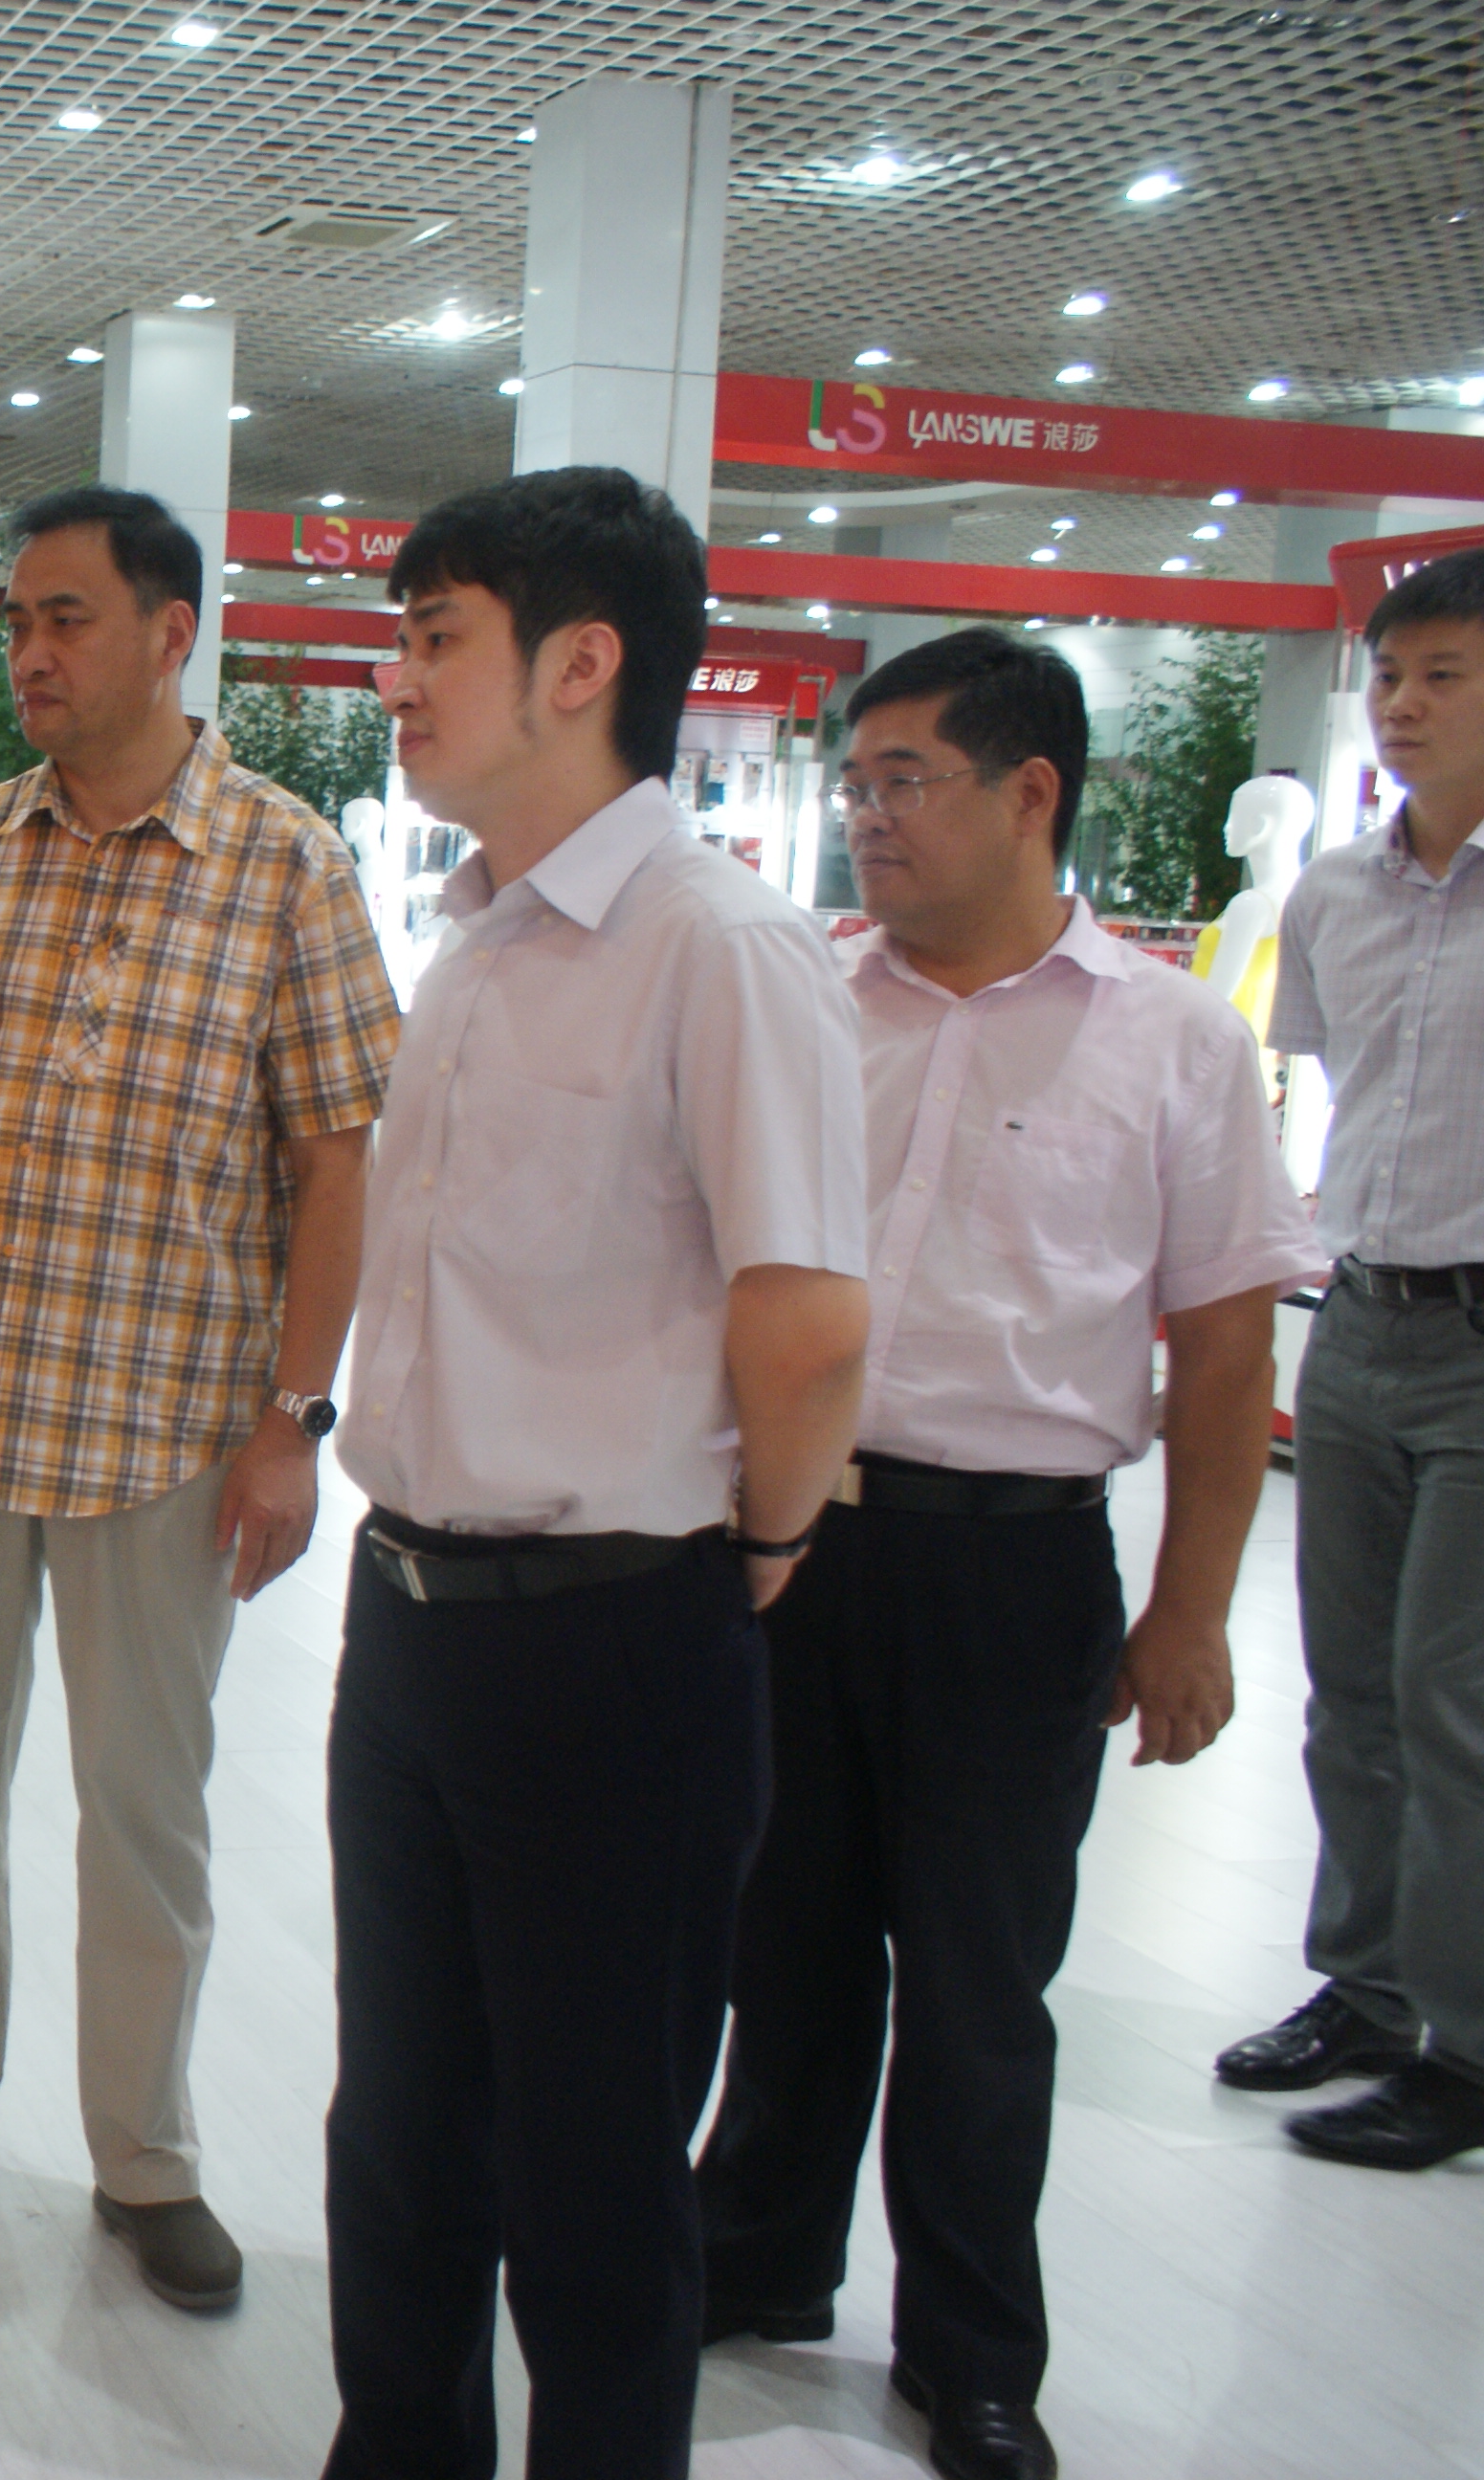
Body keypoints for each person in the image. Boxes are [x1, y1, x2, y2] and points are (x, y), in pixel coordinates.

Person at [692, 630, 1320, 2480]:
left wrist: (1190, 1615)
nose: (869, 816)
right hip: (795, 1545)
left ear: (1032, 792)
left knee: (979, 1989)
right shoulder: (807, 999)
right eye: (858, 781)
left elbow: (1226, 1355)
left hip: (1016, 1573)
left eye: (908, 779)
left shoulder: (1174, 1042)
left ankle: (971, 2350)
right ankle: (759, 2253)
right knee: (784, 1942)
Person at [322, 464, 871, 2479]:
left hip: (612, 1641)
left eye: (431, 639)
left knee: (596, 2168)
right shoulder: (473, 939)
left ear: (580, 664)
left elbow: (805, 1318)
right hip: (409, 1621)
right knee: (400, 2131)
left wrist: (761, 1542)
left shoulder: (719, 946)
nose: (394, 681)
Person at [0, 485, 399, 2314]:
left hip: (168, 1432)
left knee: (145, 1812)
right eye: (15, 620)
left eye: (66, 616)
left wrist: (296, 1420)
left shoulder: (286, 865)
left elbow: (337, 1160)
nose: (31, 652)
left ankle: (145, 2158)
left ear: (172, 632)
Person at [1220, 543, 1484, 2170]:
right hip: (1363, 1318)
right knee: (1352, 1690)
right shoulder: (1337, 896)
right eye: (1389, 675)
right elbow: (1341, 1097)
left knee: (1454, 1697)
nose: (1403, 705)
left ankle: (1466, 2042)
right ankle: (1368, 1990)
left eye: (1445, 675)